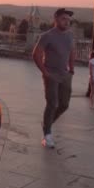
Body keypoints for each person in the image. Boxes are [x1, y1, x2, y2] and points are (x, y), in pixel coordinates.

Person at [32, 8, 75, 149]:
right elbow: (36, 54)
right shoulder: (47, 36)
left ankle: (47, 123)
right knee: (52, 103)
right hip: (51, 74)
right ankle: (47, 134)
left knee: (64, 104)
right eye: (64, 19)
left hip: (65, 74)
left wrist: (71, 69)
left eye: (69, 20)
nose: (67, 22)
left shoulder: (69, 35)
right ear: (55, 19)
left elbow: (72, 51)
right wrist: (45, 72)